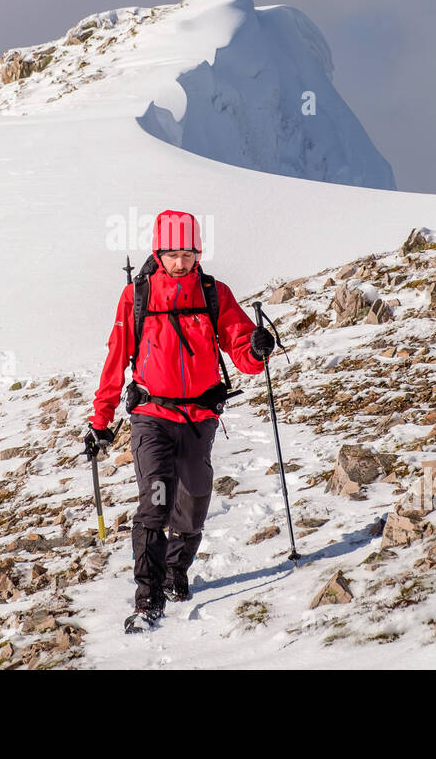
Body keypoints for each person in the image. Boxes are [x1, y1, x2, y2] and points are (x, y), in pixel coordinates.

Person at [83, 209, 275, 624]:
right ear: (159, 251)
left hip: (200, 417)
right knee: (156, 502)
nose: (181, 262)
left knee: (193, 503)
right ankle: (148, 596)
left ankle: (175, 571)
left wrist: (258, 349)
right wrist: (100, 422)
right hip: (151, 416)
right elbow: (115, 361)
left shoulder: (213, 293)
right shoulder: (137, 296)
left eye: (189, 253)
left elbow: (241, 350)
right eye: (173, 253)